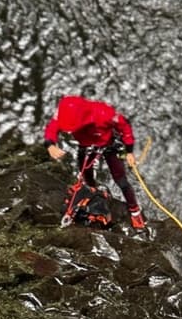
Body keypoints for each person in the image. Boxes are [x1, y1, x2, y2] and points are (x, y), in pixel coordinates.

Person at [43, 95, 146, 230]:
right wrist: (50, 145)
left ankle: (135, 211)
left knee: (121, 181)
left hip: (108, 146)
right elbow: (52, 128)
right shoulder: (64, 113)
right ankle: (93, 191)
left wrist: (129, 151)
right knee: (86, 175)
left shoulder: (105, 113)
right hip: (86, 146)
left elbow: (125, 128)